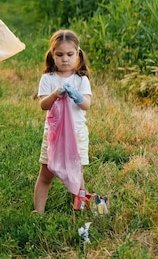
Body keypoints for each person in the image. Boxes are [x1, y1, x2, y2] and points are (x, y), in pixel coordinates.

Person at [33, 29, 92, 214]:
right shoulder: (48, 79)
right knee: (46, 173)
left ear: (78, 54)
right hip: (54, 135)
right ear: (52, 55)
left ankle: (79, 209)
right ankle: (38, 211)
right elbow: (43, 105)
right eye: (59, 55)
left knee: (77, 173)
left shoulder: (81, 80)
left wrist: (77, 97)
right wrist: (54, 95)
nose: (65, 59)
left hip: (77, 134)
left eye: (69, 54)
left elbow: (86, 105)